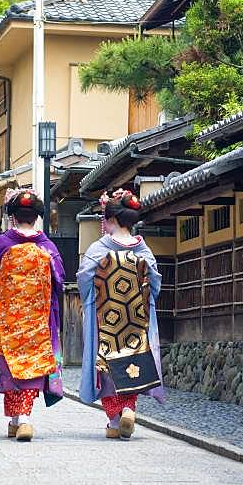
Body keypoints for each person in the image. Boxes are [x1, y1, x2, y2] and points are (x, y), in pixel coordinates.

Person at [77, 188, 164, 439]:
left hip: (107, 320)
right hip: (137, 322)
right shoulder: (143, 251)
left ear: (111, 219)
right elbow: (155, 282)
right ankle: (128, 408)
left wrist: (92, 301)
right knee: (133, 363)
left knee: (106, 368)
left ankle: (115, 421)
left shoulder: (99, 248)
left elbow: (84, 277)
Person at [0, 188, 65, 441]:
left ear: (12, 217)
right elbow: (60, 279)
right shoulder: (47, 246)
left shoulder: (3, 243)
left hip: (9, 320)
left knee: (11, 365)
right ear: (37, 217)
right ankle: (19, 419)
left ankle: (22, 418)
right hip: (39, 321)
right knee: (33, 364)